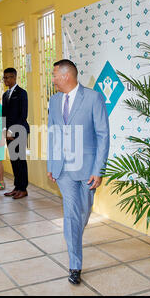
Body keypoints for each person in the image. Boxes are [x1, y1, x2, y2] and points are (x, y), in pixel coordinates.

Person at [47, 59, 110, 285]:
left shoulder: (93, 98)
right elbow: (52, 133)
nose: (52, 79)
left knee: (82, 213)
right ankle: (75, 265)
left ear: (66, 76)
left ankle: (74, 237)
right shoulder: (53, 101)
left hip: (87, 169)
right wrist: (51, 165)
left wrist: (98, 169)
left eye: (54, 75)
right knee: (71, 215)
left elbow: (103, 135)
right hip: (63, 169)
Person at [2, 68, 30, 200]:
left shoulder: (22, 93)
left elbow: (23, 115)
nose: (6, 80)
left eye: (8, 77)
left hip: (19, 131)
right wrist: (4, 130)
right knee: (14, 160)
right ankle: (17, 187)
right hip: (8, 132)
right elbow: (4, 115)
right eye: (4, 78)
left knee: (20, 160)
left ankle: (23, 189)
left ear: (14, 77)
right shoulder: (5, 94)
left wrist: (12, 131)